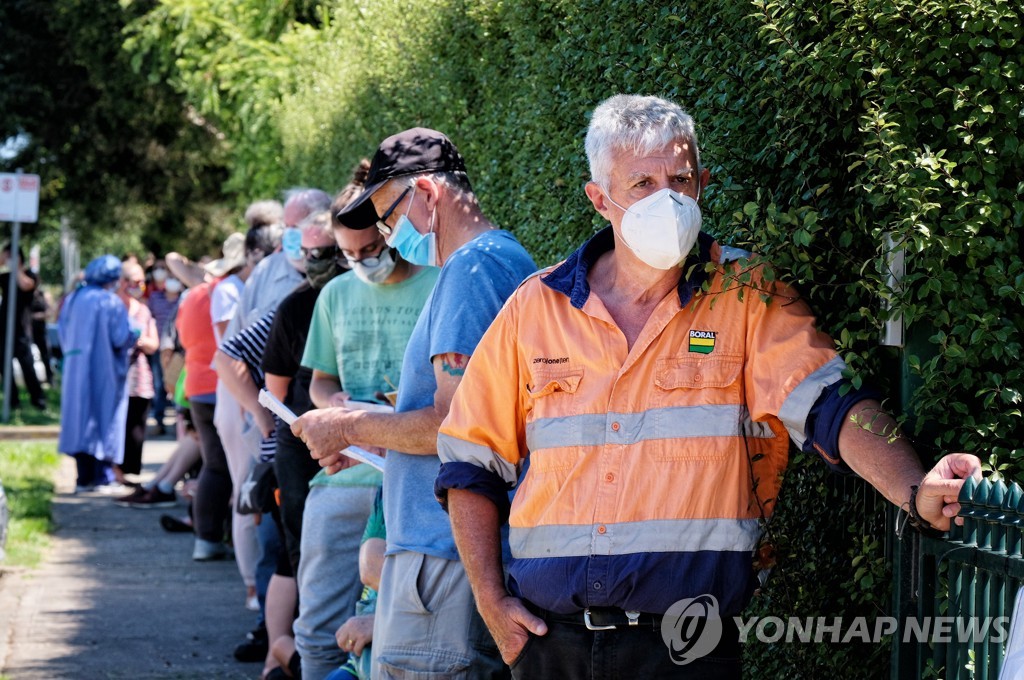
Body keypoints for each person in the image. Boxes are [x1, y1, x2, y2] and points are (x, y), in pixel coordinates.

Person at [432, 94, 984, 679]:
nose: (666, 198)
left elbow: (831, 405)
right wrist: (492, 605)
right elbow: (470, 463)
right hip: (549, 646)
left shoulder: (745, 293)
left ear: (703, 183)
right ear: (600, 199)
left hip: (689, 647)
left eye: (682, 178)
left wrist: (914, 488)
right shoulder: (534, 307)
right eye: (641, 182)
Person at [293, 127, 537, 679]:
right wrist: (368, 435)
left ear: (426, 193)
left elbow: (453, 425)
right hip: (447, 555)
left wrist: (349, 426)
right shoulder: (495, 262)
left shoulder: (472, 270)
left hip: (442, 563)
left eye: (388, 214)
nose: (387, 232)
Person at [294, 184, 438, 680]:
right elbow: (320, 382)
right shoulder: (335, 294)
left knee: (411, 616)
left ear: (389, 232)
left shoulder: (439, 284)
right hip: (343, 476)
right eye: (348, 254)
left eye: (370, 250)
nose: (360, 262)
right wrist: (332, 405)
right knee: (317, 624)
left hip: (411, 475)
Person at [57, 255, 134, 491]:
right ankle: (103, 477)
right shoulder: (110, 302)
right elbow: (121, 336)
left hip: (75, 368)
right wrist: (136, 335)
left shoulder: (73, 299)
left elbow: (62, 333)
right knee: (104, 418)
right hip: (105, 369)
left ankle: (82, 478)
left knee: (79, 418)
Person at [115, 261, 160, 487]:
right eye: (135, 281)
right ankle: (116, 470)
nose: (140, 286)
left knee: (136, 424)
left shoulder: (143, 309)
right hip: (115, 376)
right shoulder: (113, 306)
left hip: (139, 377)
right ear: (122, 282)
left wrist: (140, 340)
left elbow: (154, 342)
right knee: (118, 425)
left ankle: (130, 472)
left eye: (143, 281)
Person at [0, 243, 47, 410]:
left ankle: (39, 401)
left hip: (21, 330)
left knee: (27, 366)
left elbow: (26, 285)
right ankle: (13, 403)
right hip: (4, 329)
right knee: (4, 367)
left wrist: (16, 267)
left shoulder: (29, 274)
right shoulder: (5, 277)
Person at [145, 258, 181, 434]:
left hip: (177, 352)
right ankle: (159, 421)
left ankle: (179, 422)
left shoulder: (183, 299)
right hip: (158, 349)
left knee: (176, 385)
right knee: (159, 385)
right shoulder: (154, 298)